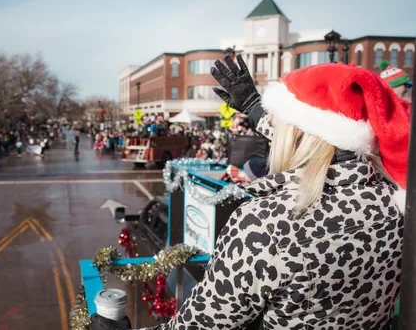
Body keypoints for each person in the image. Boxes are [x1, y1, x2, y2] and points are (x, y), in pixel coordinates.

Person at [90, 57, 409, 329]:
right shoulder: (393, 199)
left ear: (295, 132)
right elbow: (322, 141)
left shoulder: (267, 224)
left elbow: (200, 325)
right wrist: (254, 108)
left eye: (281, 123)